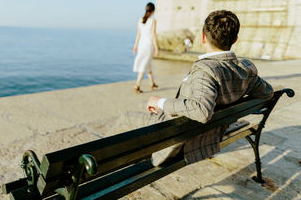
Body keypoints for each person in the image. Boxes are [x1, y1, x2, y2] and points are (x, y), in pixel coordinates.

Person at [114, 10, 273, 166]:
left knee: (125, 117)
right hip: (205, 133)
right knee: (145, 107)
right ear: (235, 39)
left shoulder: (206, 71)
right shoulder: (245, 68)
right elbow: (267, 92)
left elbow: (201, 111)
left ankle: (100, 163)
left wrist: (160, 102)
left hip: (176, 140)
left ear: (203, 37)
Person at [133, 2, 159, 93]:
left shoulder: (140, 20)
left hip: (141, 45)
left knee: (147, 65)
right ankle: (137, 85)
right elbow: (153, 35)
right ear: (153, 11)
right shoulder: (153, 21)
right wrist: (156, 48)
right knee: (143, 65)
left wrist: (135, 45)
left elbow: (138, 34)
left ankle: (152, 83)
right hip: (148, 45)